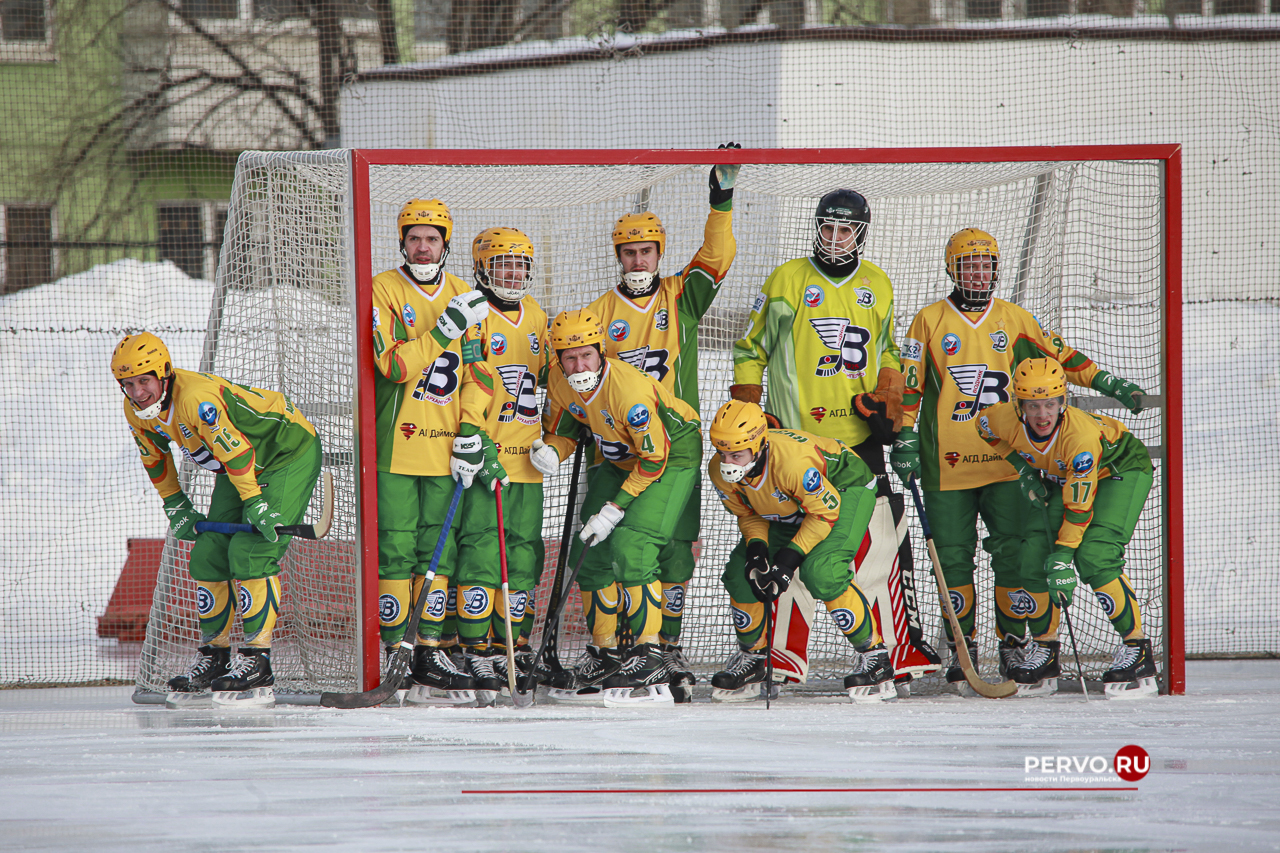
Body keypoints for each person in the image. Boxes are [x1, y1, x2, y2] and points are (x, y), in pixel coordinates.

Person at [893, 228, 1147, 689]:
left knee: (1014, 555)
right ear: (951, 268)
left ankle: (1017, 645)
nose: (978, 271)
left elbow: (1063, 358)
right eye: (968, 264)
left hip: (1008, 465)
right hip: (945, 466)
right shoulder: (927, 321)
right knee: (951, 560)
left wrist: (1109, 383)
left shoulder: (1015, 319)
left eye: (986, 263)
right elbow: (910, 385)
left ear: (996, 268)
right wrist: (906, 436)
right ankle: (963, 649)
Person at [730, 188, 939, 688]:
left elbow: (890, 351)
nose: (835, 238)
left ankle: (899, 649)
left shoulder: (878, 284)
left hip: (856, 447)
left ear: (861, 233)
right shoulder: (787, 280)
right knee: (785, 548)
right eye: (828, 228)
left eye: (845, 230)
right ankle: (780, 656)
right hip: (790, 442)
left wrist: (889, 394)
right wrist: (746, 407)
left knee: (882, 546)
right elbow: (749, 348)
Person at [580, 144, 740, 700]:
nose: (639, 262)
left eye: (647, 252)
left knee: (674, 547)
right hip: (619, 448)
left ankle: (664, 650)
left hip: (676, 444)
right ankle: (611, 648)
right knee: (604, 546)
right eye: (630, 254)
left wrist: (721, 200)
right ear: (618, 257)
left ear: (659, 253)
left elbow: (717, 256)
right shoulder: (598, 313)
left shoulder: (681, 294)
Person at [112, 332, 321, 708]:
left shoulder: (195, 400)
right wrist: (175, 504)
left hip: (285, 451)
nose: (138, 392)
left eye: (144, 381)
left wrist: (255, 503)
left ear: (164, 373)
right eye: (128, 384)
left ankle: (258, 661)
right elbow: (155, 459)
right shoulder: (136, 411)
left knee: (252, 550)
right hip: (237, 464)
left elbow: (238, 450)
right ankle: (215, 656)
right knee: (208, 552)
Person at [533, 308, 702, 706]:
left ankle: (650, 654)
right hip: (618, 456)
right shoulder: (559, 381)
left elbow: (654, 459)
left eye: (586, 355)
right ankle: (604, 652)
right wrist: (553, 452)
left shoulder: (629, 393)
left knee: (632, 544)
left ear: (601, 351)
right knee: (586, 549)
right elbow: (563, 429)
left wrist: (614, 508)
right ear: (557, 359)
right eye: (570, 357)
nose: (579, 365)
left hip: (671, 455)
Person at [371, 198, 500, 706]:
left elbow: (480, 372)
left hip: (447, 450)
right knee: (396, 551)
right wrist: (443, 327)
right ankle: (391, 649)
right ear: (402, 242)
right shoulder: (384, 288)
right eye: (414, 238)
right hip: (396, 445)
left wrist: (471, 428)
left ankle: (428, 649)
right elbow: (393, 367)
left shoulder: (468, 294)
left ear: (446, 243)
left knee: (437, 552)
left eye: (432, 238)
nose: (422, 247)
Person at [975, 358, 1157, 699]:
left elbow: (1079, 508)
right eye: (1033, 405)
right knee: (1031, 553)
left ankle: (1139, 650)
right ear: (1019, 404)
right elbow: (982, 428)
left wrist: (1062, 558)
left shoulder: (1080, 438)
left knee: (1094, 555)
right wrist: (1024, 468)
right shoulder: (1002, 418)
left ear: (1064, 402)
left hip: (1119, 469)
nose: (1042, 415)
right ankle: (1046, 651)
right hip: (1069, 479)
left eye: (1050, 404)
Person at [706, 400, 895, 704]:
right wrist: (757, 551)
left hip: (843, 490)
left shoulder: (792, 464)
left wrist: (787, 560)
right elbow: (750, 512)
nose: (728, 463)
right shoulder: (720, 469)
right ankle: (753, 658)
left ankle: (875, 657)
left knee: (822, 572)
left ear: (758, 445)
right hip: (792, 505)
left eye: (737, 455)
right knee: (742, 572)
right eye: (722, 453)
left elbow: (823, 513)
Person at [452, 227, 549, 704]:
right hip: (486, 459)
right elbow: (469, 383)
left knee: (525, 552)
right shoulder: (473, 316)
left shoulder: (536, 316)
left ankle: (517, 645)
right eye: (502, 264)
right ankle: (477, 646)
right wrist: (477, 443)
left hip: (529, 460)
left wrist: (560, 441)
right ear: (482, 268)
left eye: (520, 264)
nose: (512, 273)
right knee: (482, 549)